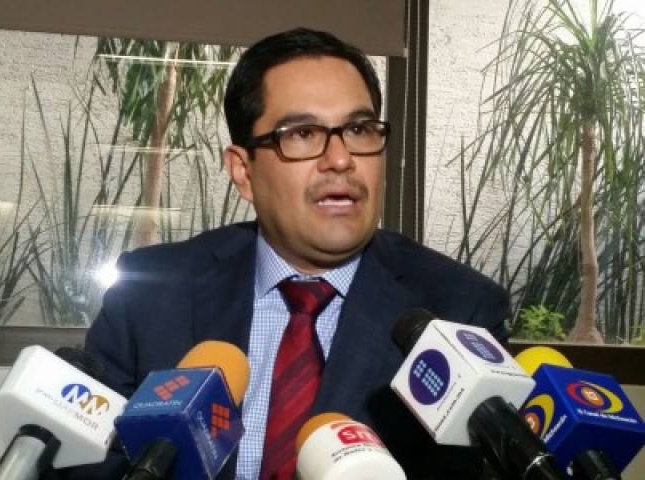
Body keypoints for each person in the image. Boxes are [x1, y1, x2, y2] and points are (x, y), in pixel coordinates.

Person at [56, 28, 510, 480]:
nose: (340, 159)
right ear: (243, 171)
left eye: (358, 129)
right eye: (303, 134)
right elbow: (85, 465)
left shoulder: (457, 312)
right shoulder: (150, 295)